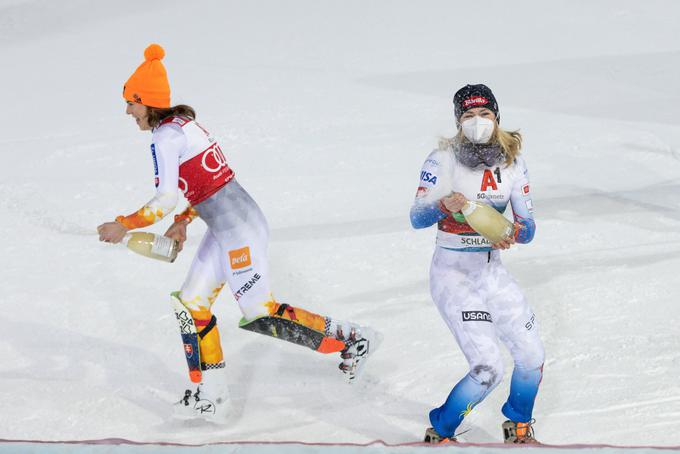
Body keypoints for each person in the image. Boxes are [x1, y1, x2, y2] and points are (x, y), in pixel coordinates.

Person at [97, 44, 379, 421]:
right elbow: (209, 183)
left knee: (260, 314)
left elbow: (164, 197)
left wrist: (124, 224)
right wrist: (184, 220)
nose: (127, 112)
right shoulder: (182, 126)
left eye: (131, 104)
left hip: (239, 230)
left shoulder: (166, 137)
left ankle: (354, 338)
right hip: (228, 224)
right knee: (191, 304)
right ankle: (212, 397)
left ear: (146, 102)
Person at [410, 84, 544, 444]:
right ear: (458, 122)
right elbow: (417, 217)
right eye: (468, 116)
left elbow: (529, 227)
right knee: (488, 369)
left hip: (491, 271)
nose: (477, 122)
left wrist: (514, 231)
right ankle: (440, 431)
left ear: (496, 117)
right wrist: (443, 205)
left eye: (484, 114)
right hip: (453, 274)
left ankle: (518, 426)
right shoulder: (443, 159)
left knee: (532, 356)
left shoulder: (514, 163)